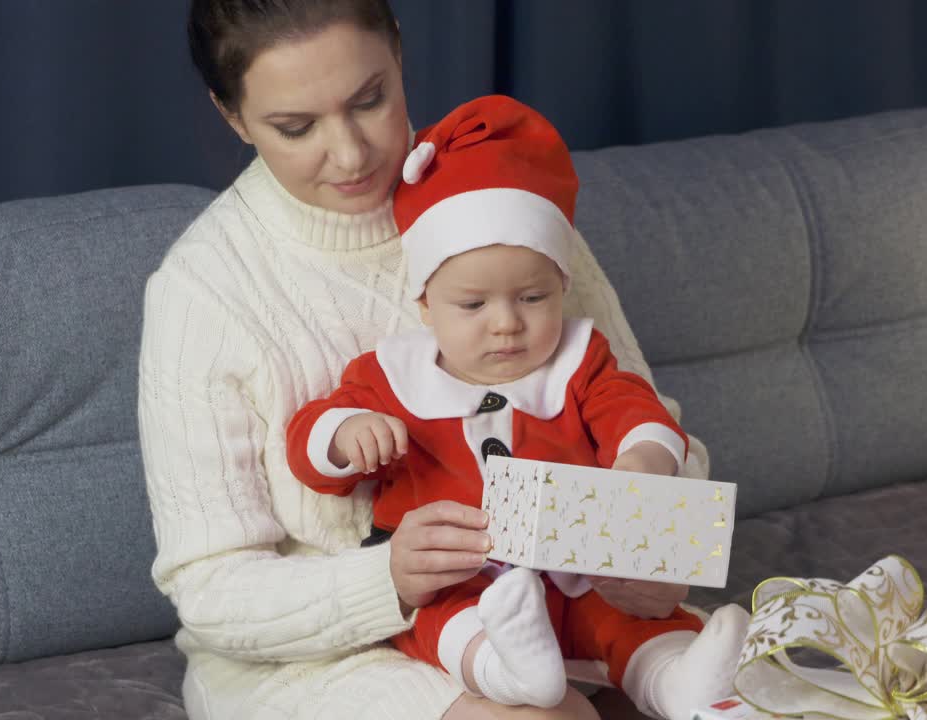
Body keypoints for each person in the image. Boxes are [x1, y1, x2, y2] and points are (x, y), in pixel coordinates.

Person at [138, 1, 712, 718]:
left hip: (561, 609)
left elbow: (648, 427)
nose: (349, 154)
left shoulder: (503, 198)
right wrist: (389, 581)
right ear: (232, 116)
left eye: (369, 99)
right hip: (313, 660)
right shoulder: (202, 292)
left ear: (401, 53)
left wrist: (650, 554)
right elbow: (211, 589)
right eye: (296, 127)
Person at [285, 94, 747, 720]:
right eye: (473, 306)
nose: (506, 326)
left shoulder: (580, 362)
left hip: (580, 573)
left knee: (627, 623)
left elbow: (634, 410)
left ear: (561, 286)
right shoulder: (391, 377)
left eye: (532, 297)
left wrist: (642, 462)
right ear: (426, 305)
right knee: (446, 622)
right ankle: (505, 669)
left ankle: (681, 683)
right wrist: (345, 435)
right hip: (460, 577)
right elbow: (308, 439)